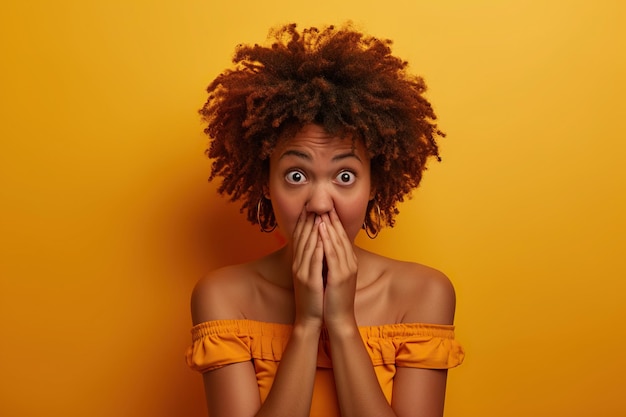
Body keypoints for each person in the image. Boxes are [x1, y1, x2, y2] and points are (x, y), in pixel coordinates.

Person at [186, 23, 464, 417]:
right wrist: (306, 323)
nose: (319, 202)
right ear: (266, 182)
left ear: (373, 185)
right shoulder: (223, 297)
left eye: (345, 176)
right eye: (296, 176)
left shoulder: (424, 294)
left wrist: (341, 323)